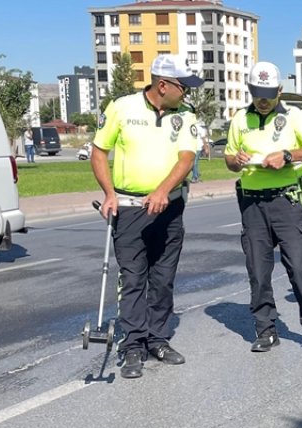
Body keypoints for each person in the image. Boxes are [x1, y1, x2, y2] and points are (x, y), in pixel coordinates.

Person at [90, 54, 203, 379]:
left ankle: (158, 338)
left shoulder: (185, 115)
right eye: (184, 87)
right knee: (134, 278)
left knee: (163, 278)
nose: (187, 94)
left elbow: (185, 158)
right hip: (129, 209)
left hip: (169, 208)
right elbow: (99, 151)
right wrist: (109, 193)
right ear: (162, 84)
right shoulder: (121, 108)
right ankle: (134, 344)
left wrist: (163, 191)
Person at [224, 61, 302, 353]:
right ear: (250, 90)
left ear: (280, 90)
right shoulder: (240, 118)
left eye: (269, 93)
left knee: (297, 266)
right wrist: (237, 160)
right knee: (257, 270)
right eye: (258, 93)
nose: (263, 100)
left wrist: (288, 155)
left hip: (287, 200)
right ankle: (266, 329)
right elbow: (229, 159)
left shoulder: (295, 115)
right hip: (253, 203)